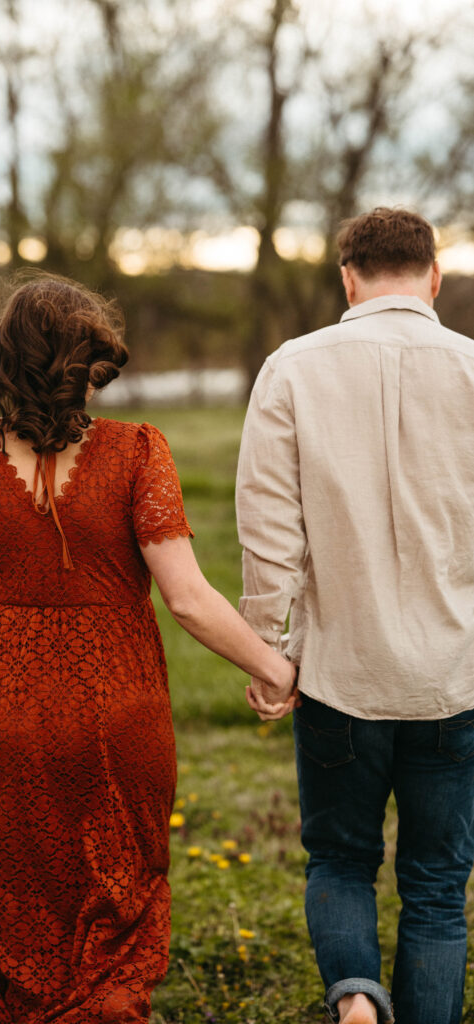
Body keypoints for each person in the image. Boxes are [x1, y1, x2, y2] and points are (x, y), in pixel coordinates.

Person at [0, 272, 296, 1024]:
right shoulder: (138, 451)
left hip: (3, 708)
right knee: (115, 880)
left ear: (6, 357)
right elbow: (186, 597)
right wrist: (273, 668)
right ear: (89, 365)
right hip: (120, 709)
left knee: (11, 878)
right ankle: (99, 1003)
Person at [236, 207, 474, 1024]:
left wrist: (266, 650)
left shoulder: (292, 368)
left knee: (338, 861)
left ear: (347, 277)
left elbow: (268, 528)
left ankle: (355, 1007)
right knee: (438, 885)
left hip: (338, 672)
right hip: (453, 678)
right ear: (433, 276)